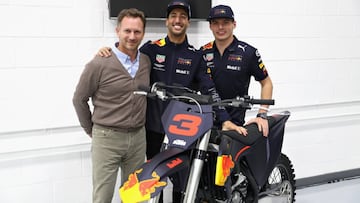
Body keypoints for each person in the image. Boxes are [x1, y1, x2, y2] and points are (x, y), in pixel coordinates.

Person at [96, 1, 243, 202]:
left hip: (183, 132)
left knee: (181, 186)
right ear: (167, 21)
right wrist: (109, 52)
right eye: (173, 15)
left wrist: (225, 119)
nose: (177, 20)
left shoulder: (196, 56)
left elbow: (209, 89)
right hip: (152, 131)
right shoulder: (151, 49)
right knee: (150, 184)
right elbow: (127, 56)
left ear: (188, 22)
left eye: (183, 16)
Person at [72, 8, 150, 203]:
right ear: (118, 31)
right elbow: (79, 99)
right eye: (127, 31)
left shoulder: (146, 62)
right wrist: (93, 130)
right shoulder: (100, 63)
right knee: (103, 197)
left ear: (143, 33)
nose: (132, 36)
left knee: (134, 198)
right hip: (107, 139)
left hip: (138, 139)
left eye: (137, 32)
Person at [201, 4, 273, 136]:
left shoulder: (248, 53)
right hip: (205, 124)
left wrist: (262, 114)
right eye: (216, 23)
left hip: (235, 126)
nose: (220, 27)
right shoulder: (203, 52)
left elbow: (266, 83)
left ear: (234, 24)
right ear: (210, 26)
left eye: (225, 23)